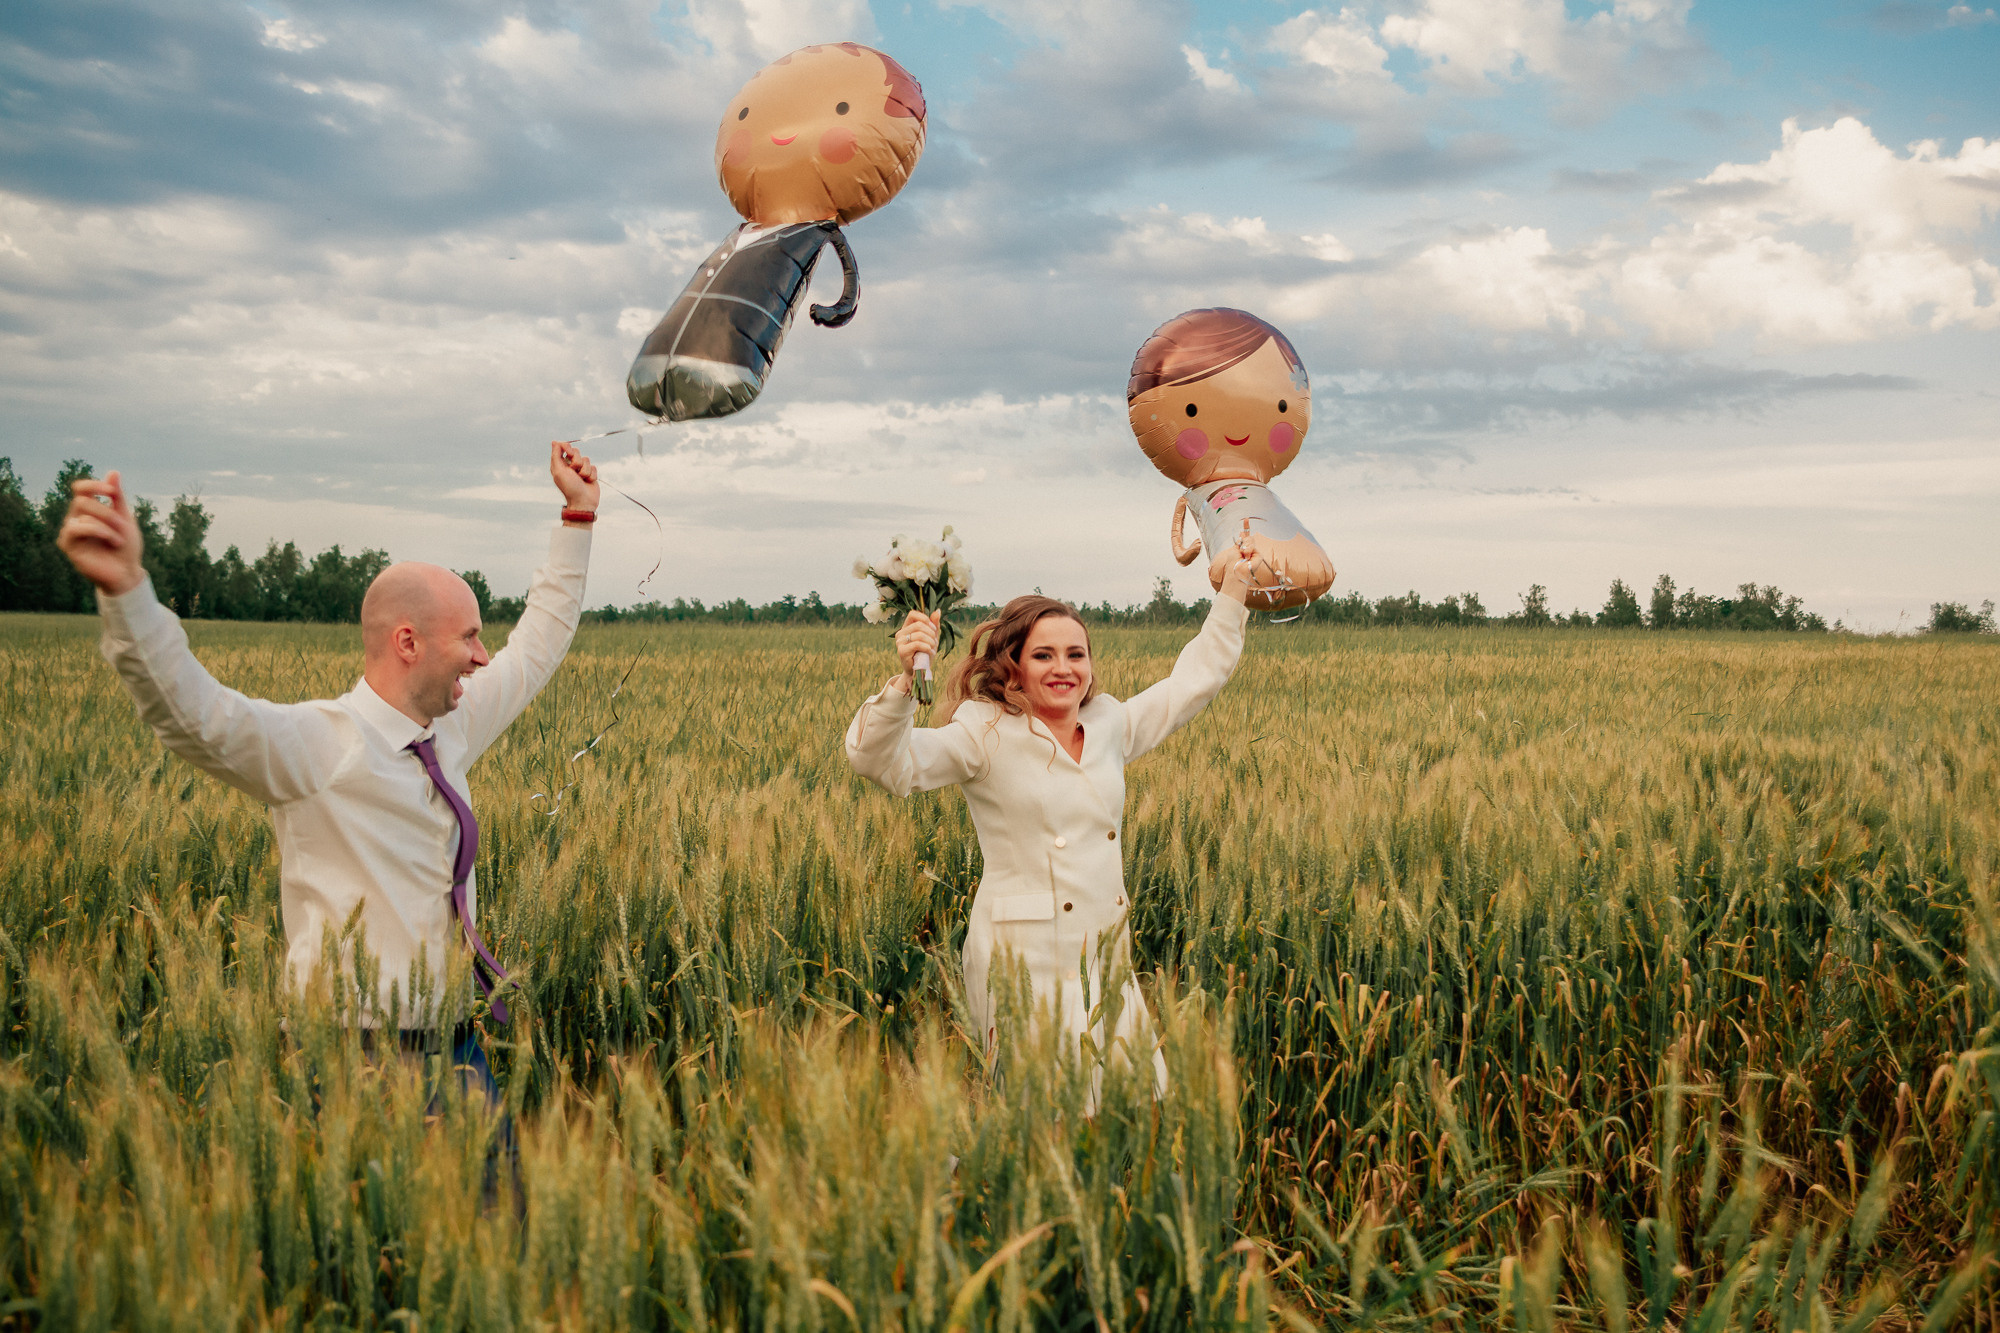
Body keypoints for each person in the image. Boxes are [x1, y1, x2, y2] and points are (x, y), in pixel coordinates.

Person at [55, 442, 600, 1101]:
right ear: (408, 642)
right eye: (469, 636)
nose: (483, 656)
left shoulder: (449, 727)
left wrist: (578, 517)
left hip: (457, 1046)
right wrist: (128, 595)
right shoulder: (320, 742)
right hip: (348, 1059)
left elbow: (536, 647)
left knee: (497, 1207)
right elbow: (194, 714)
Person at [844, 541, 1258, 1089]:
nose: (1064, 668)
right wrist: (904, 685)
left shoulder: (1111, 723)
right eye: (1043, 655)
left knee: (1134, 1109)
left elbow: (1192, 683)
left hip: (1105, 954)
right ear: (1011, 665)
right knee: (1042, 1126)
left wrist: (1234, 594)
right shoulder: (982, 732)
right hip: (1023, 964)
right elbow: (885, 763)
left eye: (1075, 654)